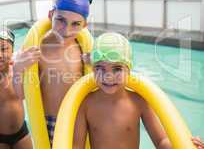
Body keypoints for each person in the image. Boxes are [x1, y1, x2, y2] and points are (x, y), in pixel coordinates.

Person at [73, 32, 204, 149]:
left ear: (128, 70)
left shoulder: (138, 101)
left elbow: (161, 141)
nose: (108, 76)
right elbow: (77, 146)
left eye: (117, 69)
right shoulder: (86, 104)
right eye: (100, 68)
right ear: (93, 69)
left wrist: (184, 145)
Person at [13, 0, 94, 145]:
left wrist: (97, 67)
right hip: (51, 122)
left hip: (82, 119)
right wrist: (17, 69)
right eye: (61, 20)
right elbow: (21, 95)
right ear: (51, 15)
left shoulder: (85, 49)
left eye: (75, 24)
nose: (66, 30)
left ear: (84, 25)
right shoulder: (36, 48)